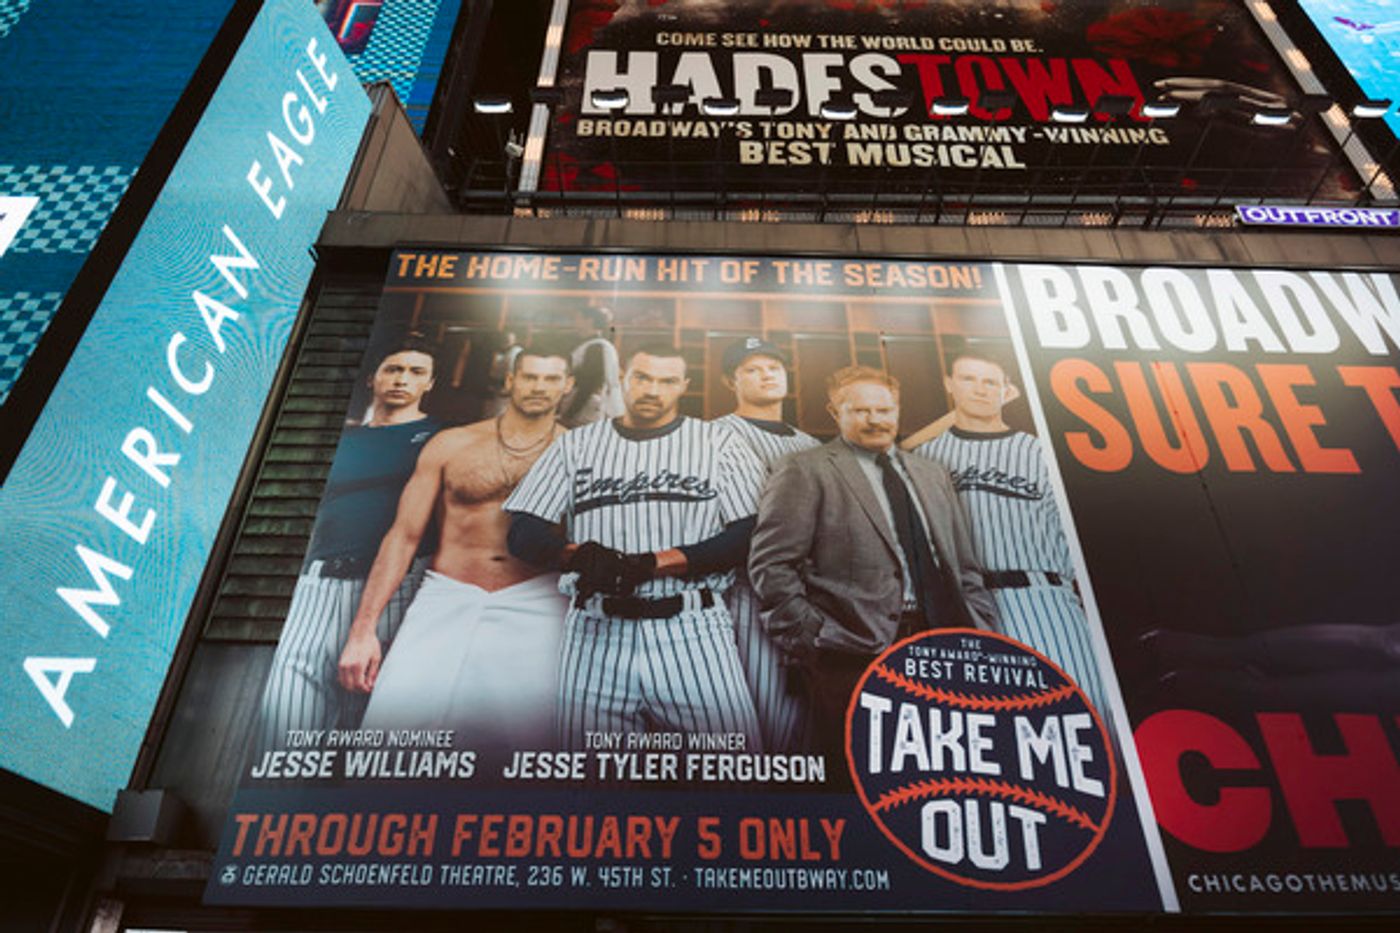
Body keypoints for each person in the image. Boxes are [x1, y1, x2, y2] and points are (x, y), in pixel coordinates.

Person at [505, 343, 765, 752]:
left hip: (693, 630)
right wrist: (577, 557)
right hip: (594, 631)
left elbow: (749, 534)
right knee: (588, 787)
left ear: (684, 386)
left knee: (733, 772)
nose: (652, 390)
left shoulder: (718, 442)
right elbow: (523, 531)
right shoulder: (575, 445)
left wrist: (654, 564)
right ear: (623, 378)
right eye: (642, 378)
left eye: (666, 381)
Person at [749, 365, 998, 757]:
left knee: (937, 769)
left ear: (897, 410)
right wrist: (810, 636)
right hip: (849, 650)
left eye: (884, 410)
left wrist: (980, 625)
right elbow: (772, 565)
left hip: (943, 642)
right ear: (836, 413)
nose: (876, 420)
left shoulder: (932, 475)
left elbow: (963, 566)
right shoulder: (804, 469)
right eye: (861, 410)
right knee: (855, 771)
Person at [337, 345, 574, 754]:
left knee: (521, 746)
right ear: (511, 380)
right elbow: (403, 536)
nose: (539, 387)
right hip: (446, 594)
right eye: (530, 376)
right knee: (390, 734)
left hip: (539, 599)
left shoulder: (582, 451)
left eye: (551, 378)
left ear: (567, 386)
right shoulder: (452, 444)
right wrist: (362, 631)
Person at [257, 335, 442, 749]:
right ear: (373, 378)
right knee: (283, 728)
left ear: (430, 383)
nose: (402, 380)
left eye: (416, 372)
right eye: (393, 369)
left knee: (361, 733)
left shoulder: (439, 438)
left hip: (394, 589)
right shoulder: (343, 439)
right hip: (314, 587)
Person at [906, 351, 1109, 717]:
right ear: (949, 385)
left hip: (1044, 599)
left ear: (1007, 390)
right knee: (988, 729)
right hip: (961, 605)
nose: (979, 389)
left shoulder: (1043, 454)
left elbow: (1080, 537)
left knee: (1083, 712)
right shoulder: (924, 457)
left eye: (990, 382)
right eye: (968, 379)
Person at [712, 338, 820, 752]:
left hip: (809, 591)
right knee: (759, 716)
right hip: (746, 590)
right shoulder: (714, 435)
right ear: (730, 380)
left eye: (773, 367)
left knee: (805, 718)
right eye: (752, 369)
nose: (766, 375)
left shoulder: (809, 443)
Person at [560, 305, 623, 427]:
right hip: (594, 408)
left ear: (588, 321)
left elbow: (589, 384)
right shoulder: (596, 345)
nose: (574, 323)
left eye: (577, 319)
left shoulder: (596, 347)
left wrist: (570, 413)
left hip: (590, 409)